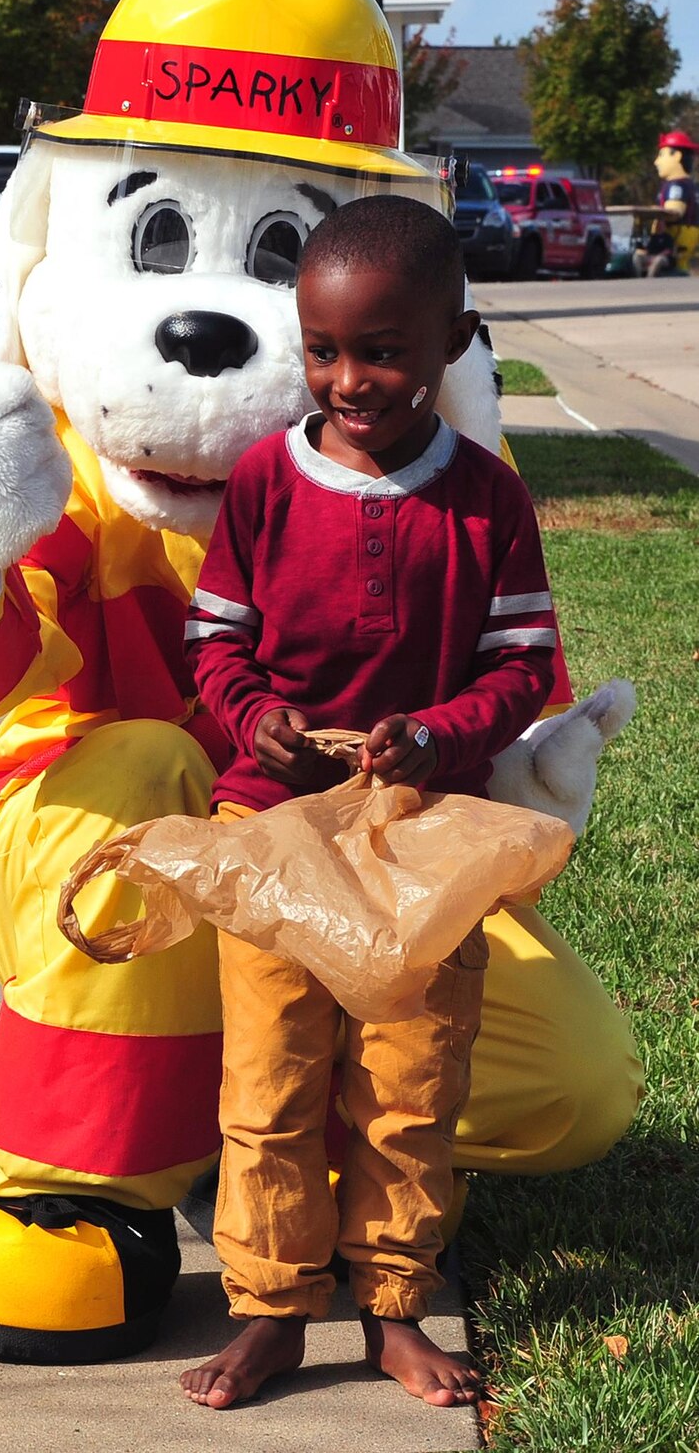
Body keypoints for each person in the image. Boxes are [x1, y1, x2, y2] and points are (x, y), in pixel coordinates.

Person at [178, 195, 559, 1412]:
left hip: (418, 838)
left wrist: (438, 734)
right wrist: (255, 721)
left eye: (383, 349)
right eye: (322, 348)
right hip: (275, 829)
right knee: (271, 1078)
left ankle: (392, 1301)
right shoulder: (261, 483)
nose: (349, 377)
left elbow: (521, 665)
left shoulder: (486, 500)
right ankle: (269, 1309)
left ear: (453, 338)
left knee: (409, 1079)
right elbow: (213, 642)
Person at [633, 128, 699, 276]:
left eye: (661, 155)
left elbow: (675, 211)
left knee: (677, 264)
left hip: (678, 233)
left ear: (677, 156)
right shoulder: (679, 184)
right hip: (671, 234)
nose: (656, 161)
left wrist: (655, 213)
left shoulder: (677, 185)